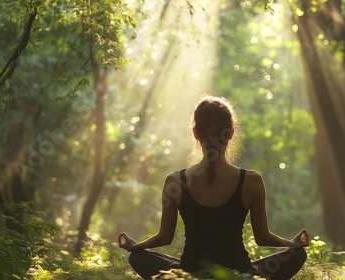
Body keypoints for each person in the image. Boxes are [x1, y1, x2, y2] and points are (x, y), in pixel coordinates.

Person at [118, 95, 308, 280]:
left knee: (138, 257)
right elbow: (263, 237)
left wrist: (136, 247)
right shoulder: (251, 180)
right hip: (239, 274)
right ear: (231, 132)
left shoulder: (175, 181)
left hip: (190, 274)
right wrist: (292, 244)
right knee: (297, 255)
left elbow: (164, 238)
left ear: (195, 133)